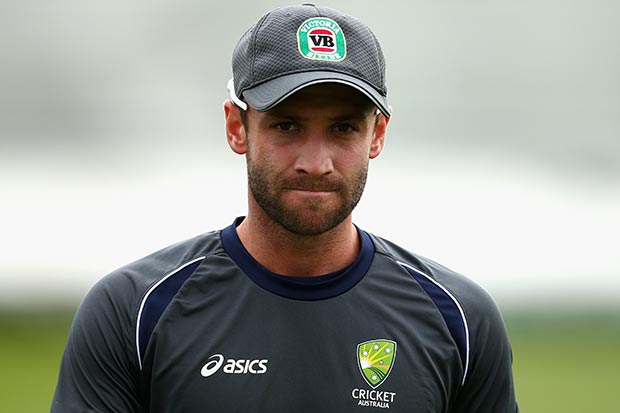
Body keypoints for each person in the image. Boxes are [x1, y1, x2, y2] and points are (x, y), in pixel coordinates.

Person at [52, 4, 518, 412]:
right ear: (237, 127)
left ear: (377, 135)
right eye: (287, 125)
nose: (316, 164)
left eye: (343, 129)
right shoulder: (133, 312)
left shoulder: (460, 320)